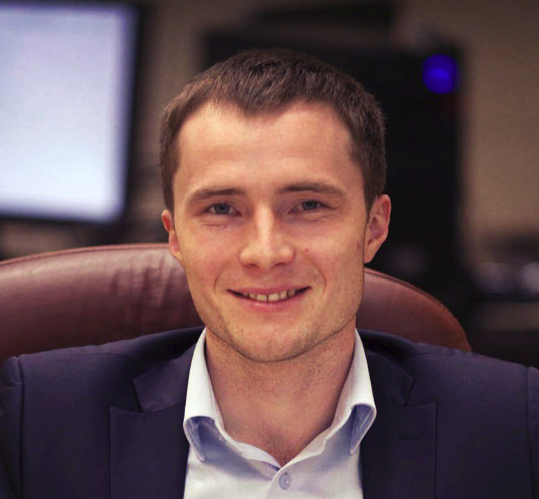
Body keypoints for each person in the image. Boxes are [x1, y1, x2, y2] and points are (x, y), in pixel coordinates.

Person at [0, 48, 537, 499]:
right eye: (221, 209)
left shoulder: (513, 426)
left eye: (308, 205)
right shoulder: (34, 420)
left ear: (374, 227)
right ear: (175, 236)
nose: (265, 252)